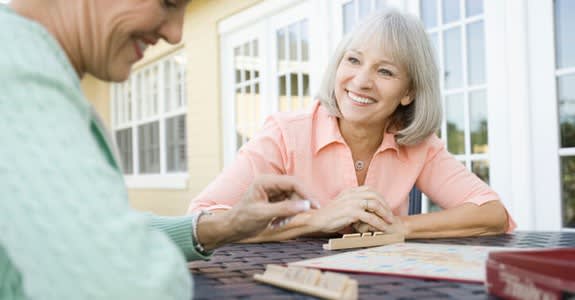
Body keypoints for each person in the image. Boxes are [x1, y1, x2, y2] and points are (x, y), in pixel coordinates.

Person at [0, 0, 318, 299]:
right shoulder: (20, 72)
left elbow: (83, 234)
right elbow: (120, 283)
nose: (174, 33)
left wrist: (226, 225)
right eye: (167, 2)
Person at [188, 9, 516, 242]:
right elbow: (204, 218)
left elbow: (491, 214)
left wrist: (401, 227)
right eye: (354, 60)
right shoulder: (286, 134)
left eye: (384, 72)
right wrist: (315, 220)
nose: (360, 81)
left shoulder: (418, 145)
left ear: (408, 93)